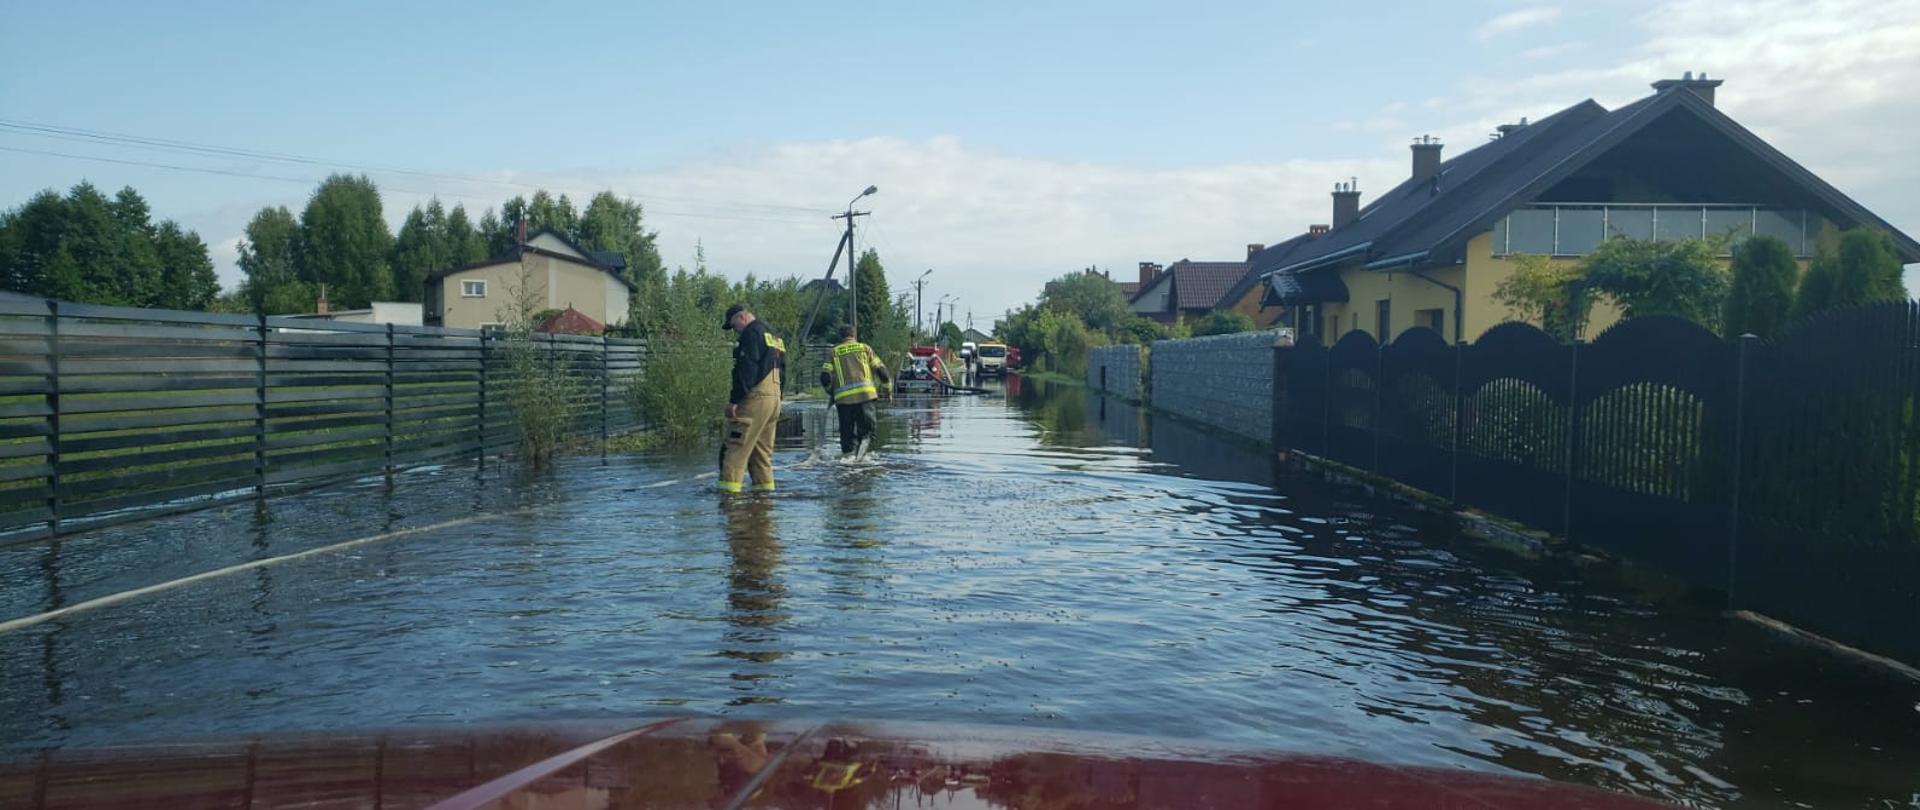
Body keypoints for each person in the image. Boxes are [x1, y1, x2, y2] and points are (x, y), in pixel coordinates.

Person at [718, 304, 785, 493]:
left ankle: (728, 501)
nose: (735, 331)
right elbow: (784, 370)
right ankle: (764, 500)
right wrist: (779, 397)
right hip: (774, 397)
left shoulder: (750, 334)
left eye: (734, 326)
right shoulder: (774, 337)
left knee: (735, 449)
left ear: (743, 318)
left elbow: (746, 370)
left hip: (755, 398)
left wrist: (734, 400)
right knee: (761, 454)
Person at [819, 325, 891, 456]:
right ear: (854, 335)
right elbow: (883, 373)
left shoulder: (833, 352)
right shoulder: (865, 348)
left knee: (847, 438)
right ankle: (862, 461)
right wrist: (887, 390)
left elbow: (825, 378)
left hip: (843, 402)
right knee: (867, 435)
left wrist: (831, 392)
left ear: (840, 337)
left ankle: (847, 462)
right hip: (865, 398)